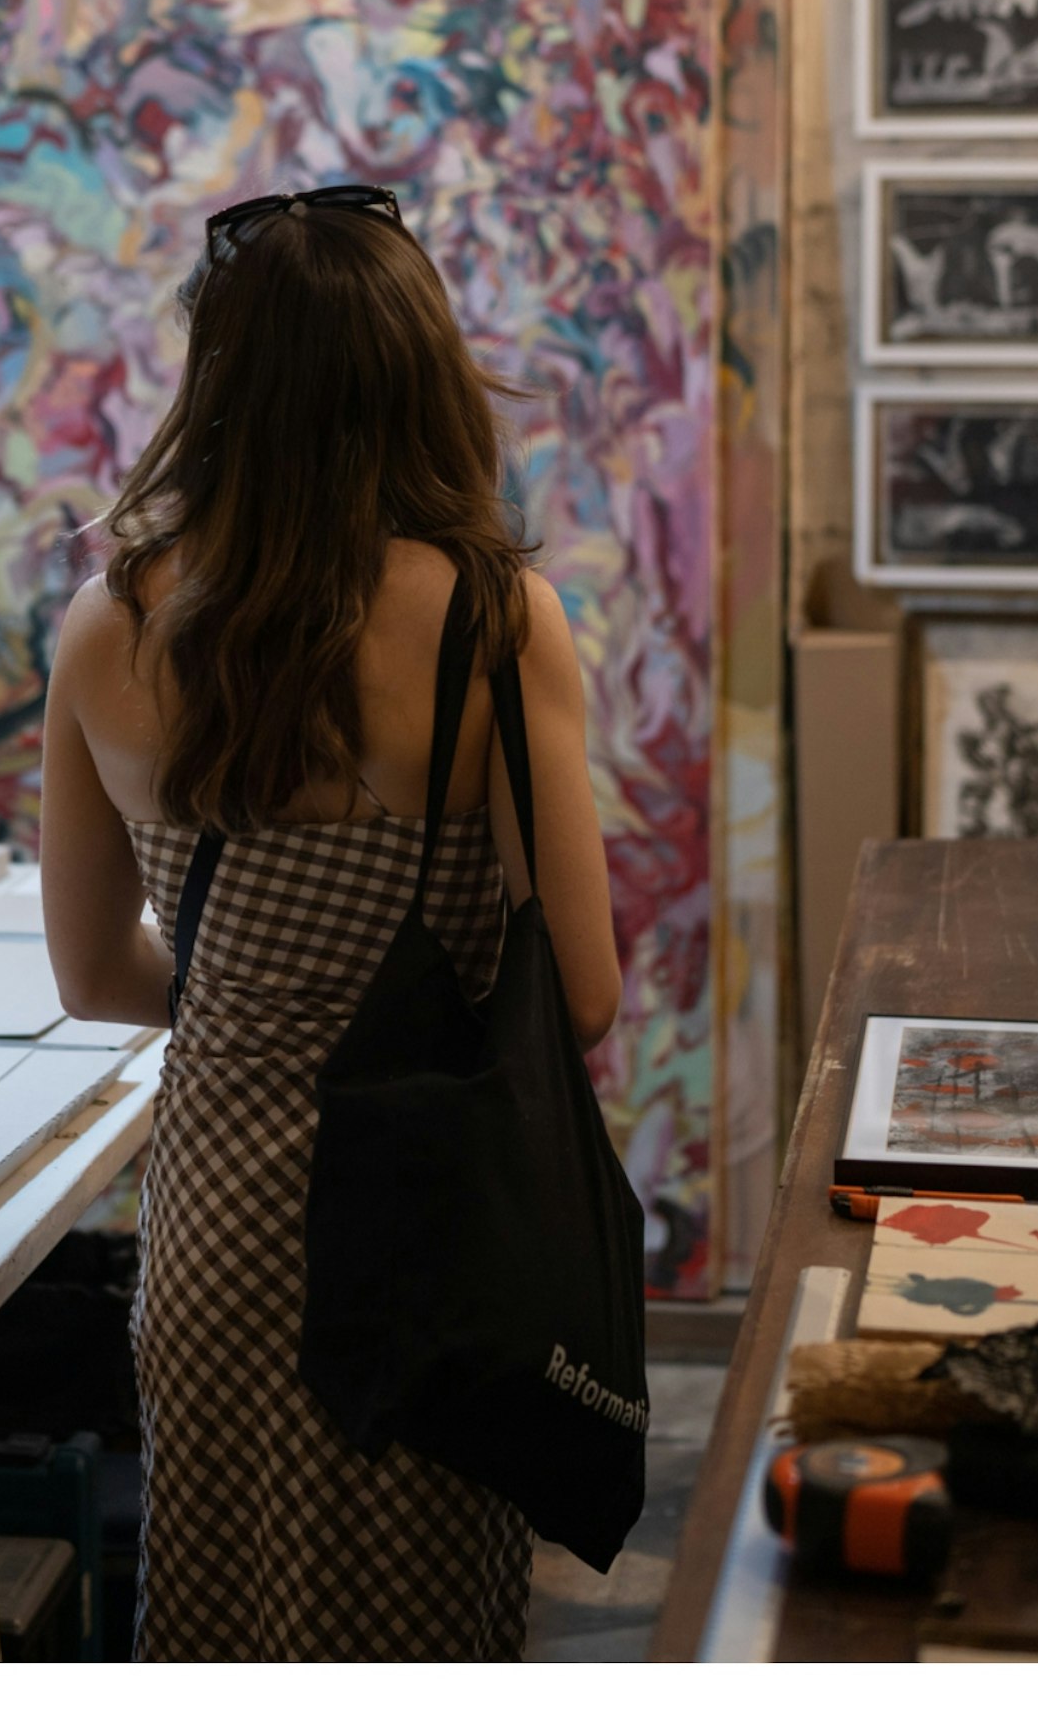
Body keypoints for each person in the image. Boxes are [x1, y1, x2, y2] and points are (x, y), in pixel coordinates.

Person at [35, 184, 623, 1661]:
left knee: (221, 1624)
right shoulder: (495, 620)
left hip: (220, 1232)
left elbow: (96, 974)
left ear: (217, 379)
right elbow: (587, 994)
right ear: (419, 371)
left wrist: (255, 1005)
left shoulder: (110, 626)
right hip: (432, 1238)